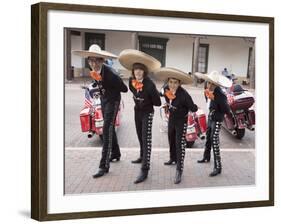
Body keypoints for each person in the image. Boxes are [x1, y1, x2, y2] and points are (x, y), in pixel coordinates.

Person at [73, 44, 128, 178]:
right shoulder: (94, 71)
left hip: (113, 101)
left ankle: (103, 166)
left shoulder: (111, 74)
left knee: (106, 130)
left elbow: (124, 89)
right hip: (104, 100)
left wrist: (111, 84)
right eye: (91, 60)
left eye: (97, 60)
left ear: (102, 60)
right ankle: (116, 153)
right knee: (108, 128)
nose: (94, 63)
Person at [119, 49, 161, 184]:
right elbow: (132, 91)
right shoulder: (131, 81)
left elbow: (158, 102)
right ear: (133, 71)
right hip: (137, 111)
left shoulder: (150, 85)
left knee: (146, 138)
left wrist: (147, 98)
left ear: (144, 72)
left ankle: (145, 169)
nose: (137, 72)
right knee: (139, 135)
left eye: (140, 70)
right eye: (135, 70)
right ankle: (142, 156)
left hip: (148, 113)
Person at [155, 68, 198, 184]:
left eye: (175, 82)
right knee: (170, 138)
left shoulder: (184, 95)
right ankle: (172, 158)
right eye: (171, 82)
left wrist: (194, 107)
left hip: (181, 121)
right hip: (172, 118)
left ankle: (179, 169)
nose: (172, 85)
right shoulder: (165, 89)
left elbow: (193, 107)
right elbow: (159, 93)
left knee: (180, 144)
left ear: (179, 83)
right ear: (168, 82)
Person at [197, 71, 232, 177]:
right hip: (210, 117)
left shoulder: (221, 94)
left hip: (217, 119)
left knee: (215, 141)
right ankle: (206, 157)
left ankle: (218, 167)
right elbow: (208, 103)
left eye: (212, 84)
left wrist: (216, 100)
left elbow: (226, 110)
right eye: (208, 83)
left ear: (216, 84)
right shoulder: (207, 91)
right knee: (208, 138)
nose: (210, 85)